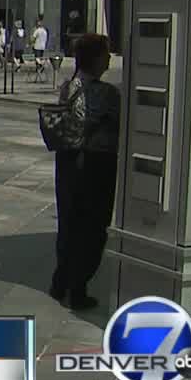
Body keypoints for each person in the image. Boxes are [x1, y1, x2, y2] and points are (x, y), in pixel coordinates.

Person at [50, 33, 121, 311]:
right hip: (97, 163)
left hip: (68, 160)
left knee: (69, 222)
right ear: (95, 59)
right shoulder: (108, 94)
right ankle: (78, 287)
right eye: (106, 54)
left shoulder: (69, 87)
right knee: (94, 226)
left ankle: (61, 280)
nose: (110, 58)